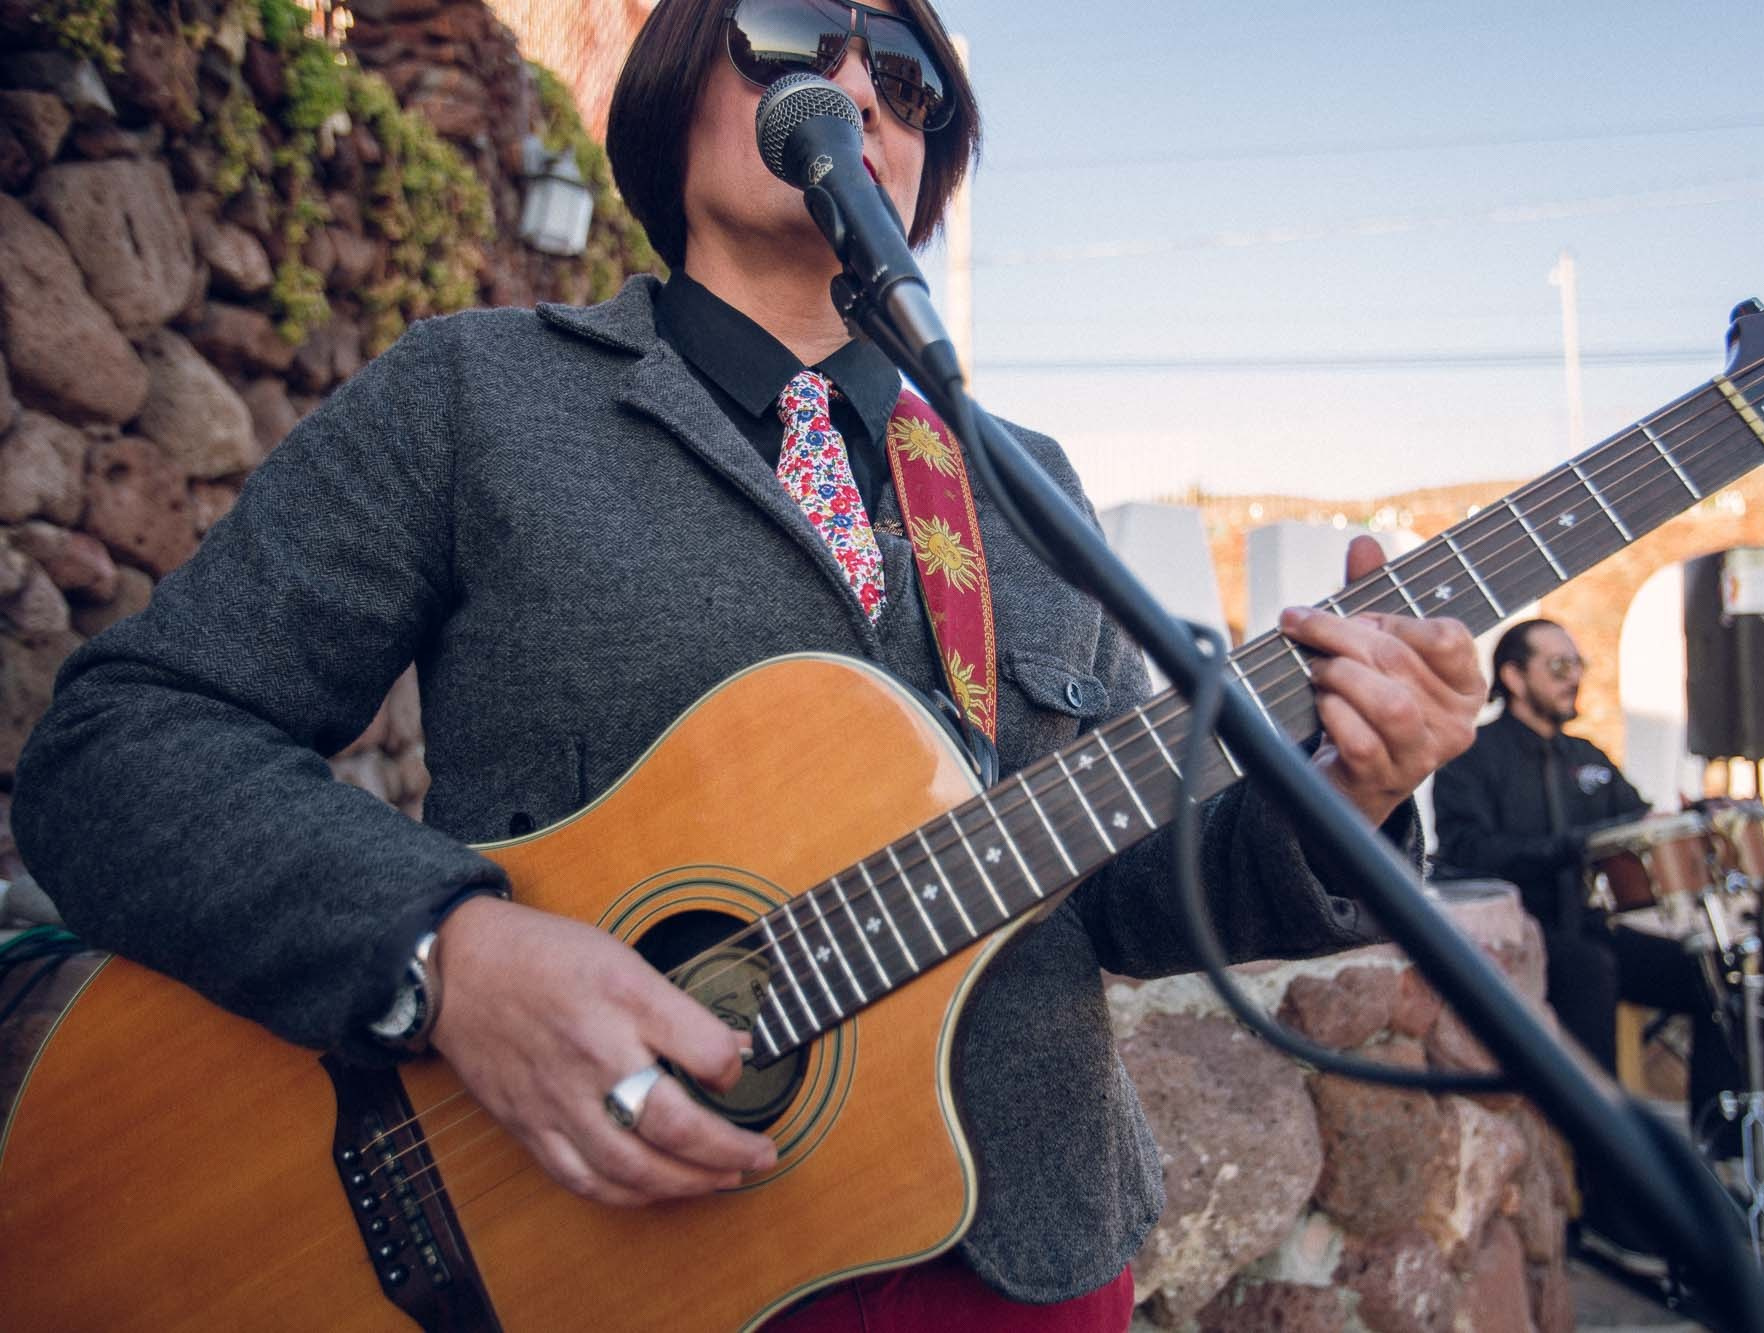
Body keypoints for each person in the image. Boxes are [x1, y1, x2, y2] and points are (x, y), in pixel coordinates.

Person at [14, 0, 1485, 1327]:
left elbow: (1111, 892)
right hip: (576, 1262)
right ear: (672, 79)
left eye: (907, 75)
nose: (856, 81)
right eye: (793, 30)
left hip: (1018, 1255)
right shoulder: (478, 396)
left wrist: (1340, 791)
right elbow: (120, 747)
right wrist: (445, 956)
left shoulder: (1021, 481)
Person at [1431, 617, 1764, 1277]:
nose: (1573, 676)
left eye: (1577, 664)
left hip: (1590, 930)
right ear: (1513, 676)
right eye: (1558, 665)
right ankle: (1608, 1205)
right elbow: (1469, 853)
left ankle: (1718, 1169)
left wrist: (1693, 817)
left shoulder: (1588, 759)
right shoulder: (1473, 756)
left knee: (1713, 970)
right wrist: (1571, 846)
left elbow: (1636, 822)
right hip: (1520, 938)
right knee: (1590, 970)